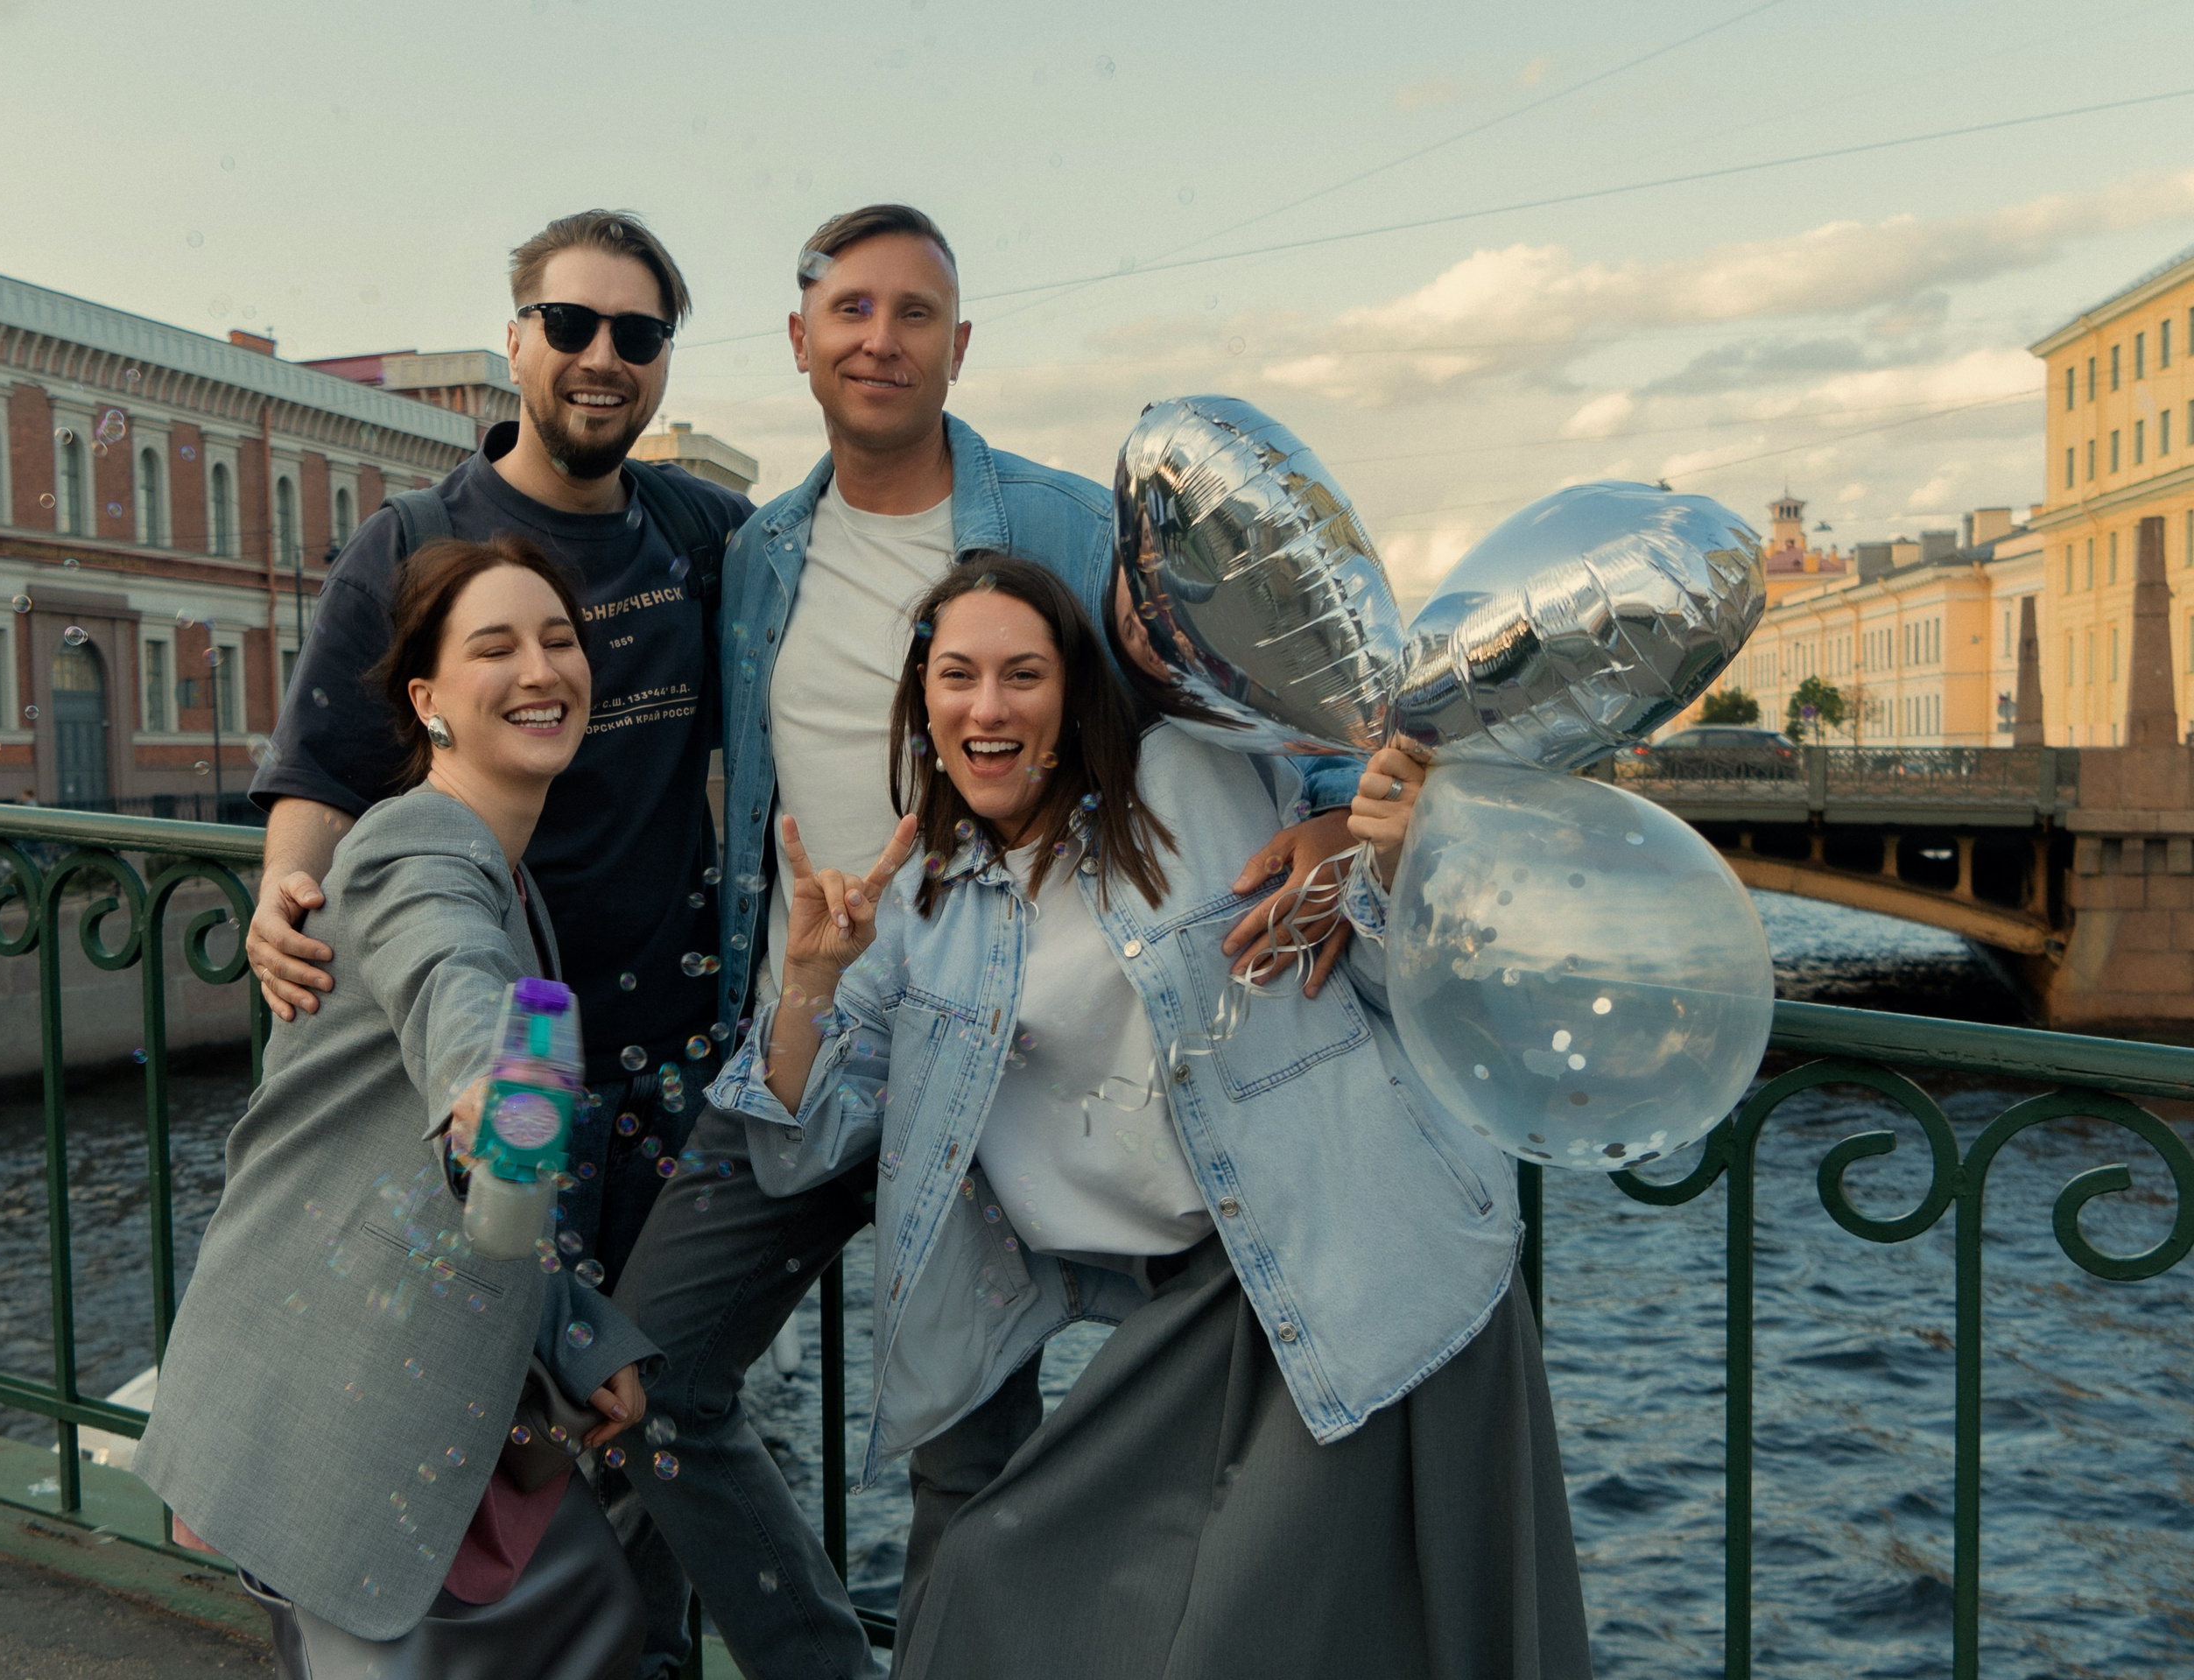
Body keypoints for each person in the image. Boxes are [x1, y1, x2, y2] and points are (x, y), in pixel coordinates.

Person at [609, 204, 1366, 1679]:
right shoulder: (759, 553)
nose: (879, 339)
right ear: (799, 341)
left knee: (970, 1459)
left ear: (960, 345)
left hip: (1004, 1040)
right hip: (814, 1028)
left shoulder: (1069, 525)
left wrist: (1335, 806)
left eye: (914, 313)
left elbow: (1249, 674)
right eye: (850, 310)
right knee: (650, 1371)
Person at [712, 556, 1593, 1678]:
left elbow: (1390, 966)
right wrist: (807, 984)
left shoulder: (1194, 778)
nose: (988, 706)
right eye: (958, 675)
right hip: (1199, 1317)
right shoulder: (918, 915)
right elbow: (799, 1146)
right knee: (990, 1573)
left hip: (1361, 1254)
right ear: (921, 705)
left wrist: (1368, 844)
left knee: (1259, 1641)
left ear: (1074, 694)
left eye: (1023, 674)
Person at [244, 208, 743, 1676]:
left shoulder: (702, 536)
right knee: (473, 1414)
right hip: (498, 1061)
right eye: (571, 324)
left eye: (638, 333)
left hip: (668, 1068)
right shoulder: (411, 541)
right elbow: (327, 768)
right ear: (516, 339)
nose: (603, 356)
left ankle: (631, 1652)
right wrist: (286, 895)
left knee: (645, 1411)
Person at [137, 536, 660, 1680]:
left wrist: (574, 1331)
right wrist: (489, 1084)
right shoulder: (415, 842)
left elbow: (447, 1189)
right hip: (344, 1402)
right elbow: (450, 974)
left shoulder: (501, 865)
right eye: (495, 646)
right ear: (428, 700)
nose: (541, 669)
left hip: (405, 1386)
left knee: (592, 1619)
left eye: (559, 639)